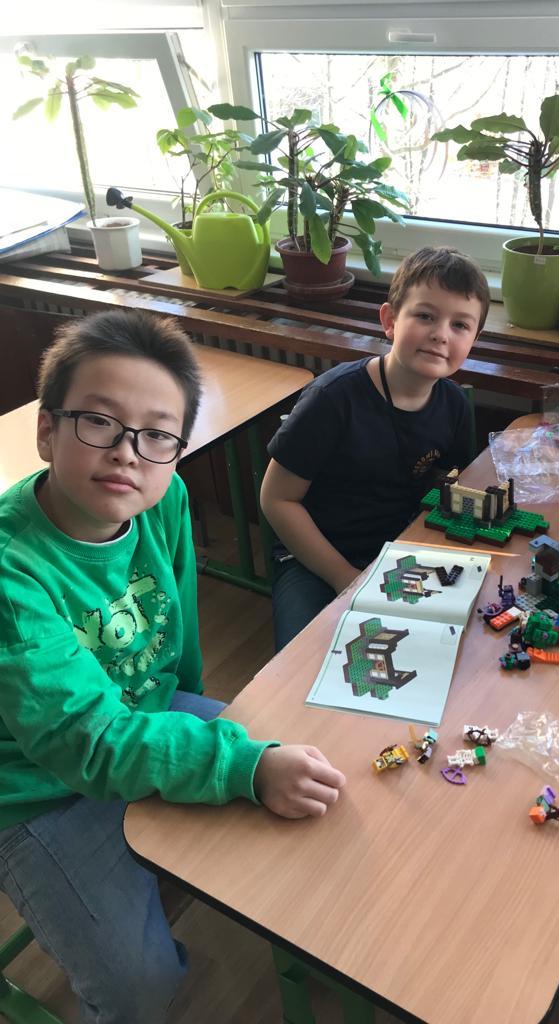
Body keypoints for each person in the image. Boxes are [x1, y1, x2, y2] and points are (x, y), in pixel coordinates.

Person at [0, 310, 345, 1024]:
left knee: (311, 777)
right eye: (99, 422)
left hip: (142, 720)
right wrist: (236, 766)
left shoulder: (167, 500)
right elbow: (87, 743)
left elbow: (176, 635)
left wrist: (203, 718)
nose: (128, 453)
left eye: (156, 435)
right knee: (141, 985)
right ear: (47, 431)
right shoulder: (12, 571)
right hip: (33, 788)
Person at [261, 246, 491, 651]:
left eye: (460, 325)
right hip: (316, 559)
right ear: (389, 320)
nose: (441, 334)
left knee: (456, 650)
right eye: (425, 316)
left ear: (473, 340)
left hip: (403, 552)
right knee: (305, 663)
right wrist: (345, 578)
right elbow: (276, 499)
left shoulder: (455, 405)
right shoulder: (332, 399)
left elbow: (447, 487)